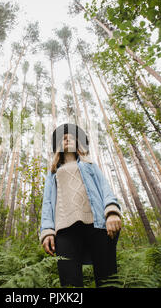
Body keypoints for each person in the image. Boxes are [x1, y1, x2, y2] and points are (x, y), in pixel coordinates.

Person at [40, 123, 122, 288]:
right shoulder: (53, 172)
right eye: (63, 138)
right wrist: (47, 230)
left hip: (97, 225)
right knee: (70, 284)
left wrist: (112, 212)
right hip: (64, 230)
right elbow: (47, 201)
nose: (67, 139)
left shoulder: (90, 165)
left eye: (70, 137)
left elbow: (104, 187)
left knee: (108, 280)